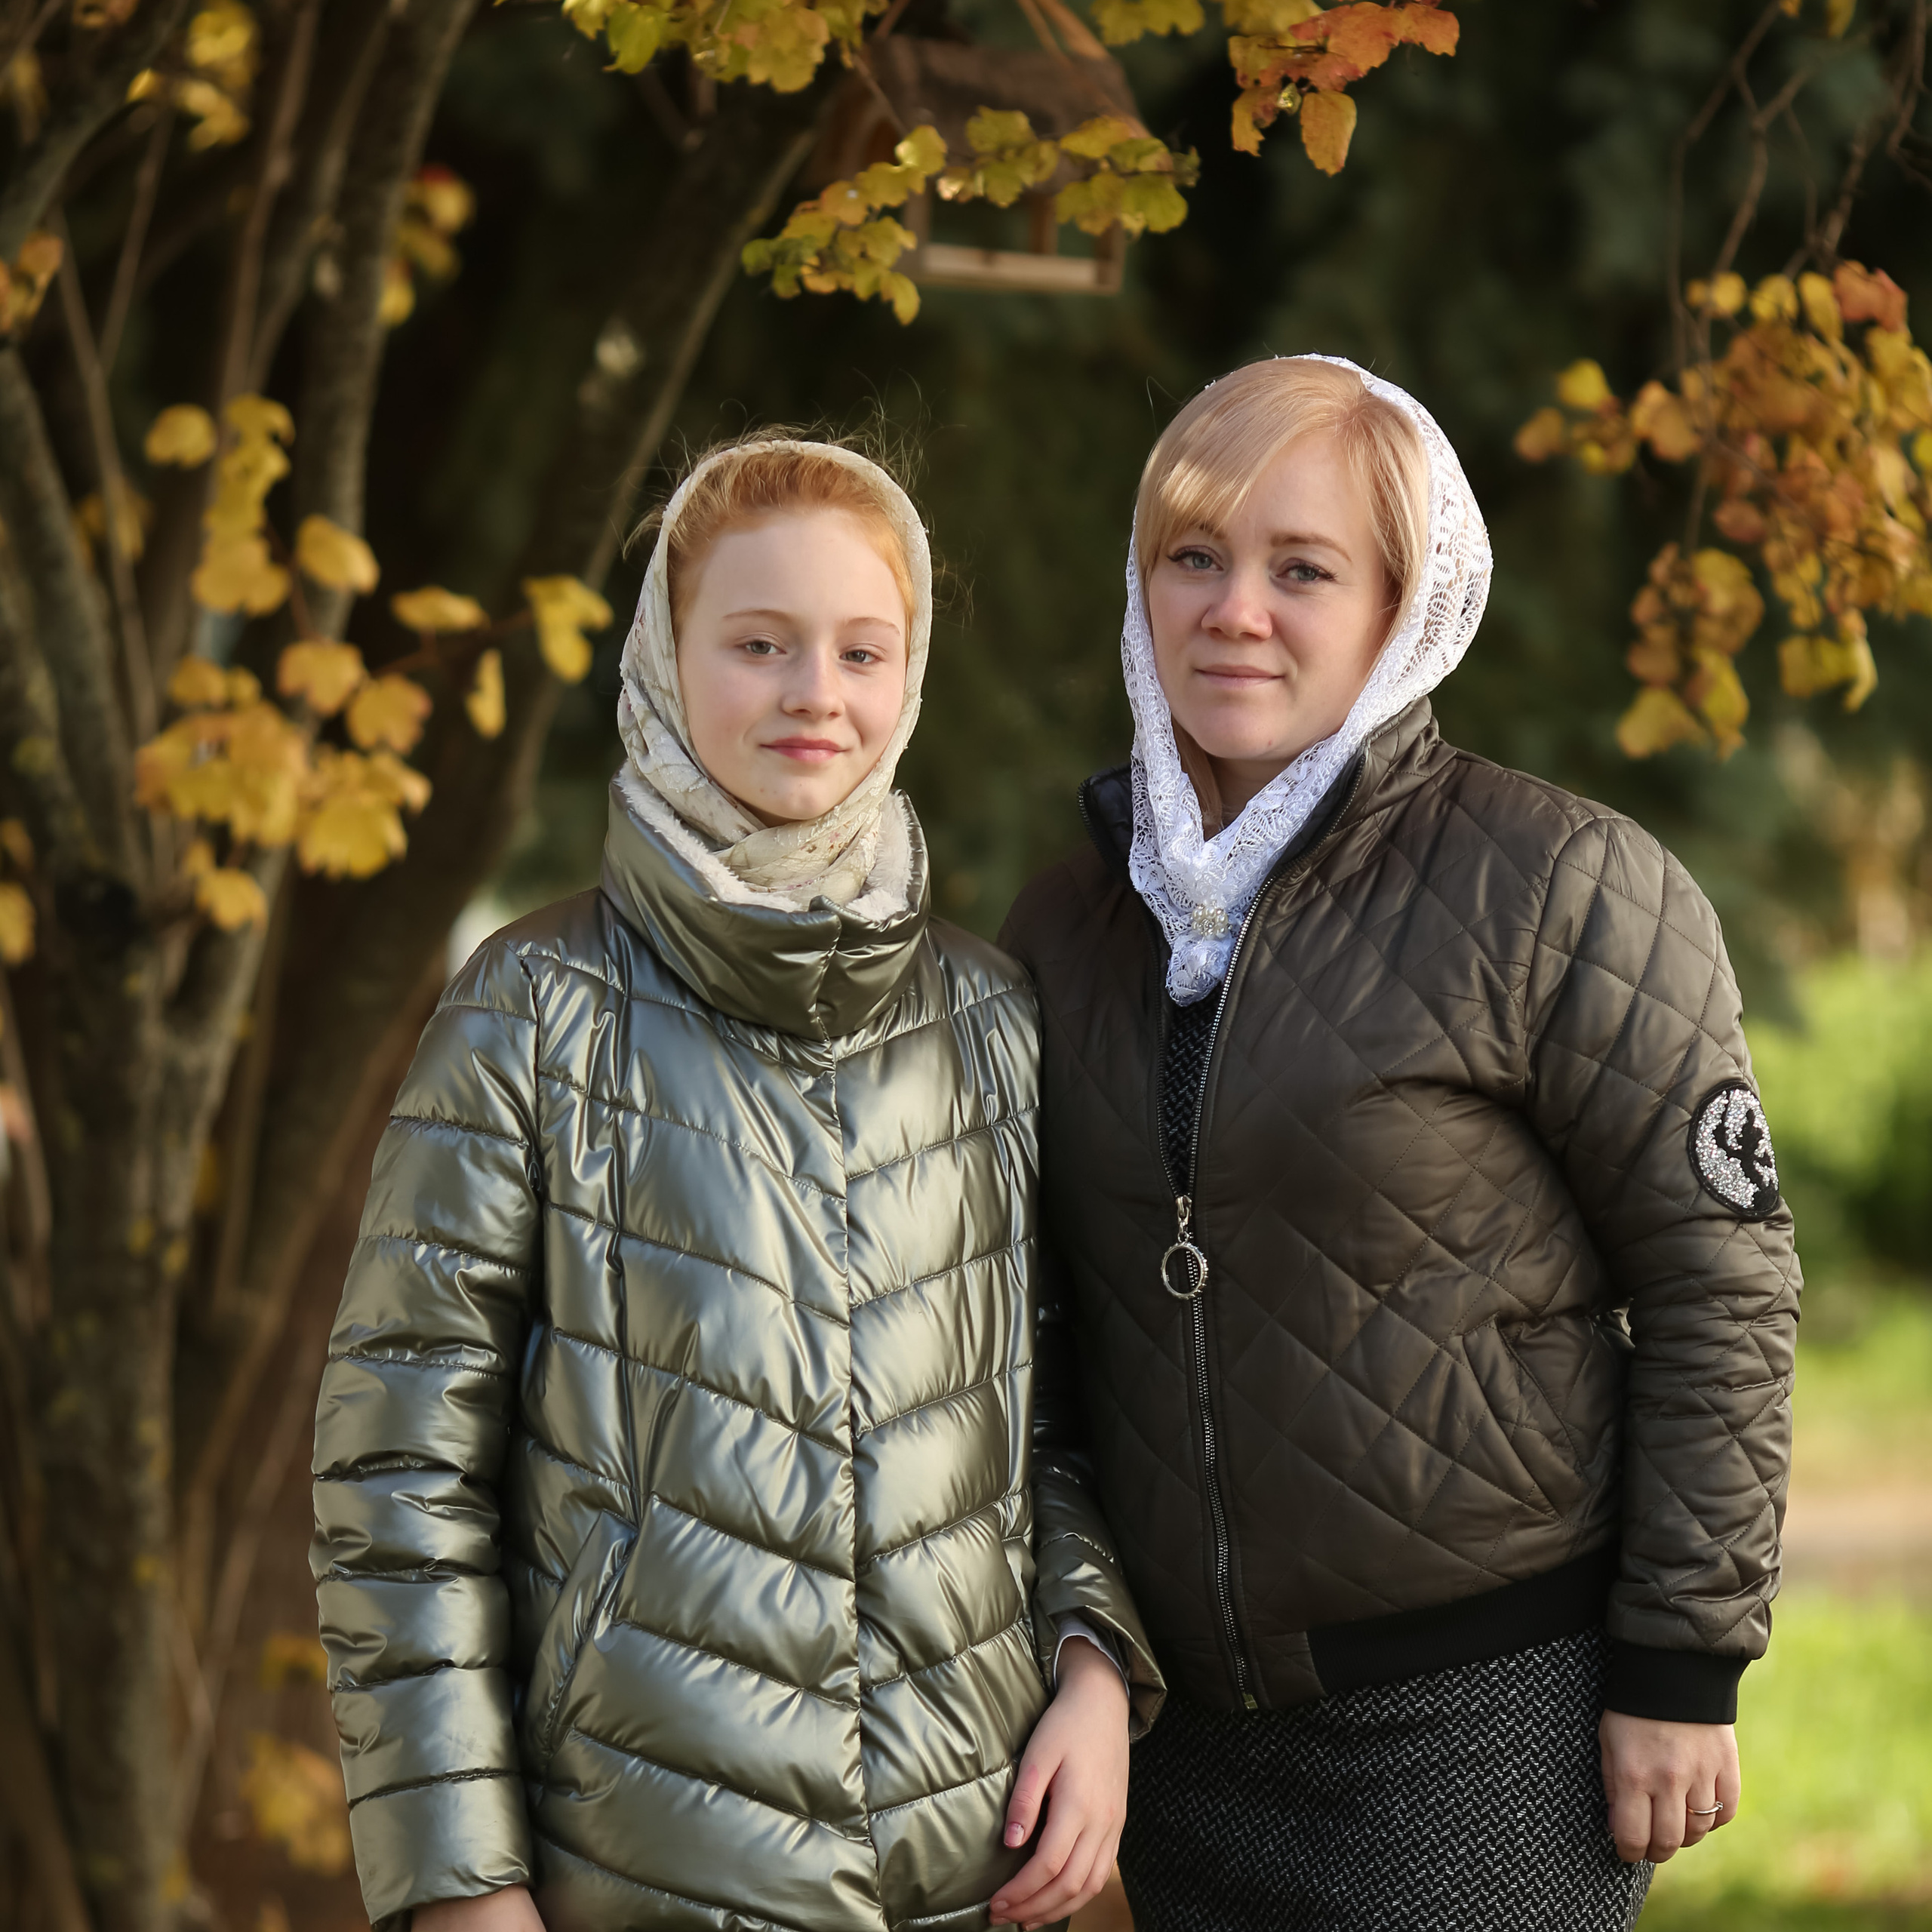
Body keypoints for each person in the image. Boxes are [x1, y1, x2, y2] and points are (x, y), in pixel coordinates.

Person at [312, 435, 1161, 1932]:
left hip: (966, 1875)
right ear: (663, 660)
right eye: (758, 643)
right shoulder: (531, 1010)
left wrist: (1094, 1663)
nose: (813, 691)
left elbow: (1055, 1423)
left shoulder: (985, 1019)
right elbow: (399, 1478)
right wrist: (459, 1880)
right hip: (635, 1871)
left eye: (860, 650)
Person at [999, 357, 1800, 1931]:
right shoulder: (1068, 923)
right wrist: (1082, 1650)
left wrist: (1681, 1656)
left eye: (1302, 568)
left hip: (1488, 1720)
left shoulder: (1559, 883)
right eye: (1193, 555)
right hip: (1187, 1745)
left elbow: (1720, 1283)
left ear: (1397, 603)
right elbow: (1044, 1344)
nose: (1235, 610)